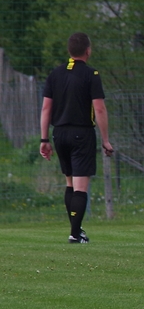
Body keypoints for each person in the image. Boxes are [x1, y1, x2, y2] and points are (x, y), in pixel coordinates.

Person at [39, 32, 114, 243]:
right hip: (82, 134)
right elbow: (99, 109)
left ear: (69, 51)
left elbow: (46, 108)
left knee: (70, 184)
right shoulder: (91, 74)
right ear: (88, 51)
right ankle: (74, 233)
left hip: (59, 134)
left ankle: (77, 230)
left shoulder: (55, 74)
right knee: (80, 187)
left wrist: (44, 140)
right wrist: (105, 140)